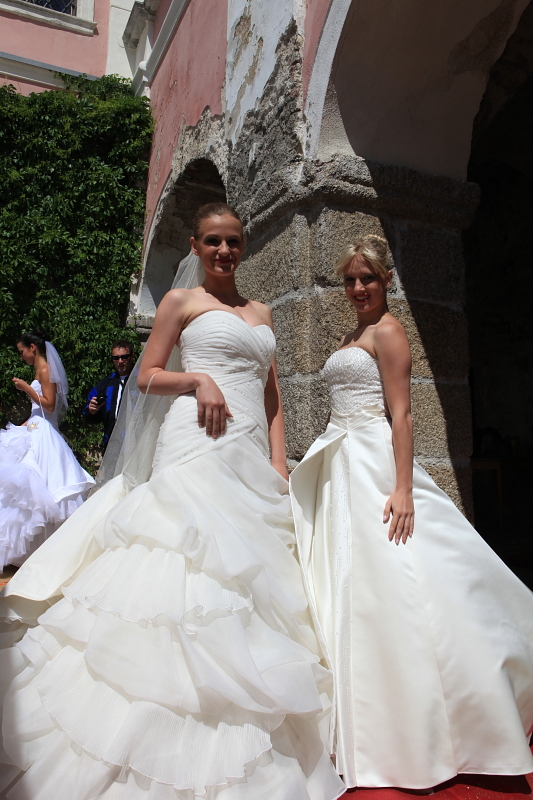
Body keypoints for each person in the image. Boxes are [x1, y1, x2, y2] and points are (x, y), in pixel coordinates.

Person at [0, 205, 345, 800]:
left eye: (233, 241)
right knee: (181, 566)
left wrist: (278, 459)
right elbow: (146, 376)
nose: (224, 251)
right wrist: (197, 380)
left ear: (243, 246)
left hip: (249, 453)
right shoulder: (181, 303)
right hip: (195, 443)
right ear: (195, 244)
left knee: (252, 578)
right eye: (213, 241)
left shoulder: (262, 312)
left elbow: (272, 394)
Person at [290, 234, 533, 791]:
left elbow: (401, 415)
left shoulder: (390, 330)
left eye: (367, 279)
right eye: (350, 279)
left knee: (400, 576)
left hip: (373, 462)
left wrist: (403, 488)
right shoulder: (351, 335)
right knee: (351, 583)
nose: (358, 288)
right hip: (340, 463)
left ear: (386, 280)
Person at [0, 329, 94, 570]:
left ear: (32, 348)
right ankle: (27, 550)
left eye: (22, 351)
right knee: (25, 488)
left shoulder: (45, 370)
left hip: (44, 433)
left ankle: (48, 548)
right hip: (35, 427)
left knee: (40, 485)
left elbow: (50, 406)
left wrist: (26, 388)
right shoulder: (40, 370)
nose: (21, 356)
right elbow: (38, 411)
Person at [82, 340, 135, 451]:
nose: (120, 361)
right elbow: (90, 414)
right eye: (116, 358)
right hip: (112, 442)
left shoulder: (141, 380)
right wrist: (92, 411)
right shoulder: (106, 384)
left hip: (137, 441)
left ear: (132, 357)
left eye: (124, 357)